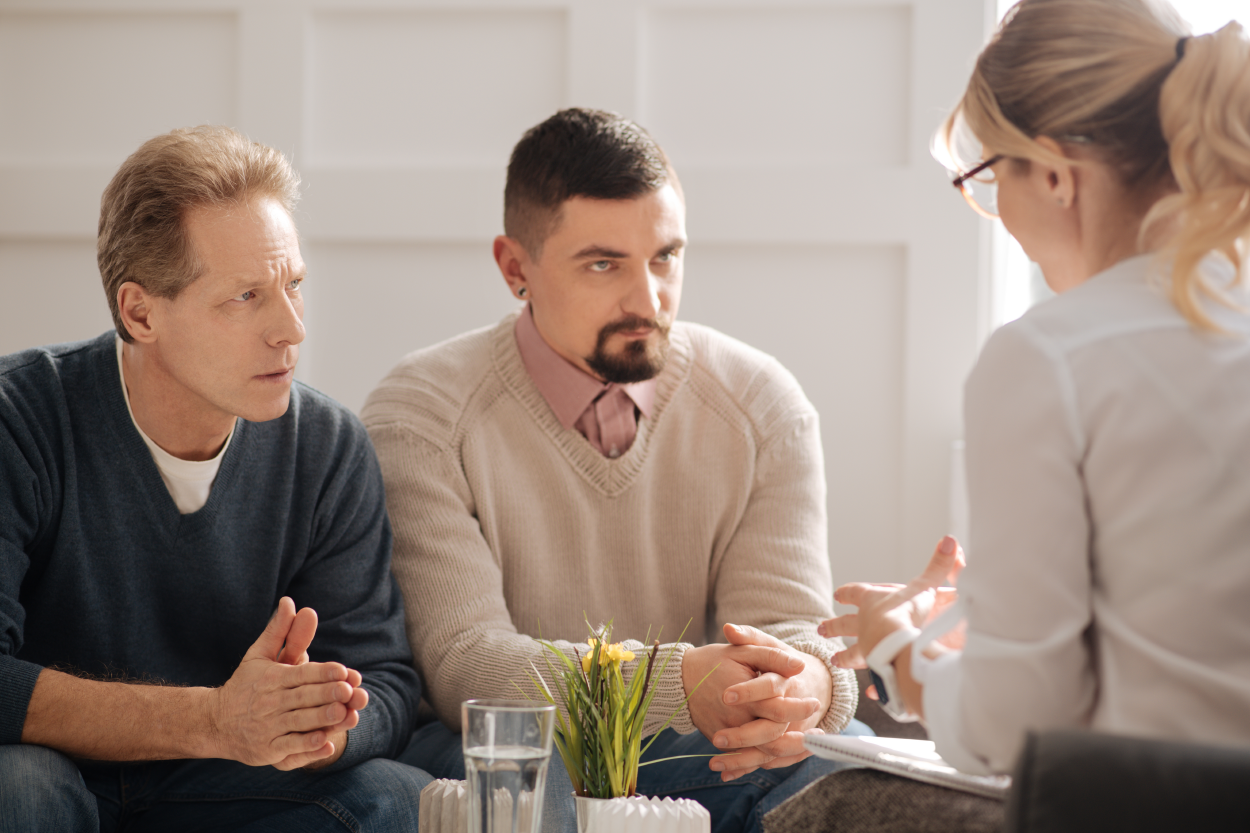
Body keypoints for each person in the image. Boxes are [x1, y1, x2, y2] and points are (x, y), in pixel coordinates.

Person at [362, 108, 861, 833]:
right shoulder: (421, 413)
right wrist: (682, 683)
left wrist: (809, 685)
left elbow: (789, 630)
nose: (647, 300)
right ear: (514, 267)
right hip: (518, 757)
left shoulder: (762, 404)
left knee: (856, 769)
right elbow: (465, 668)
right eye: (604, 264)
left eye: (665, 257)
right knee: (530, 783)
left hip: (702, 753)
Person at [822, 0, 1250, 776]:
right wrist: (981, 625)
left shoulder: (1049, 358)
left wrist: (897, 650)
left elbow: (1016, 728)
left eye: (987, 176)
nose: (996, 214)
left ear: (1054, 173)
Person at [0, 126, 430, 831]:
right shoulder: (20, 418)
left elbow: (384, 676)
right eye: (245, 297)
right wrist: (215, 719)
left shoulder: (326, 444)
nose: (290, 328)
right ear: (141, 312)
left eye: (293, 285)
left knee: (399, 796)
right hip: (56, 770)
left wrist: (319, 721)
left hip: (225, 784)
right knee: (17, 786)